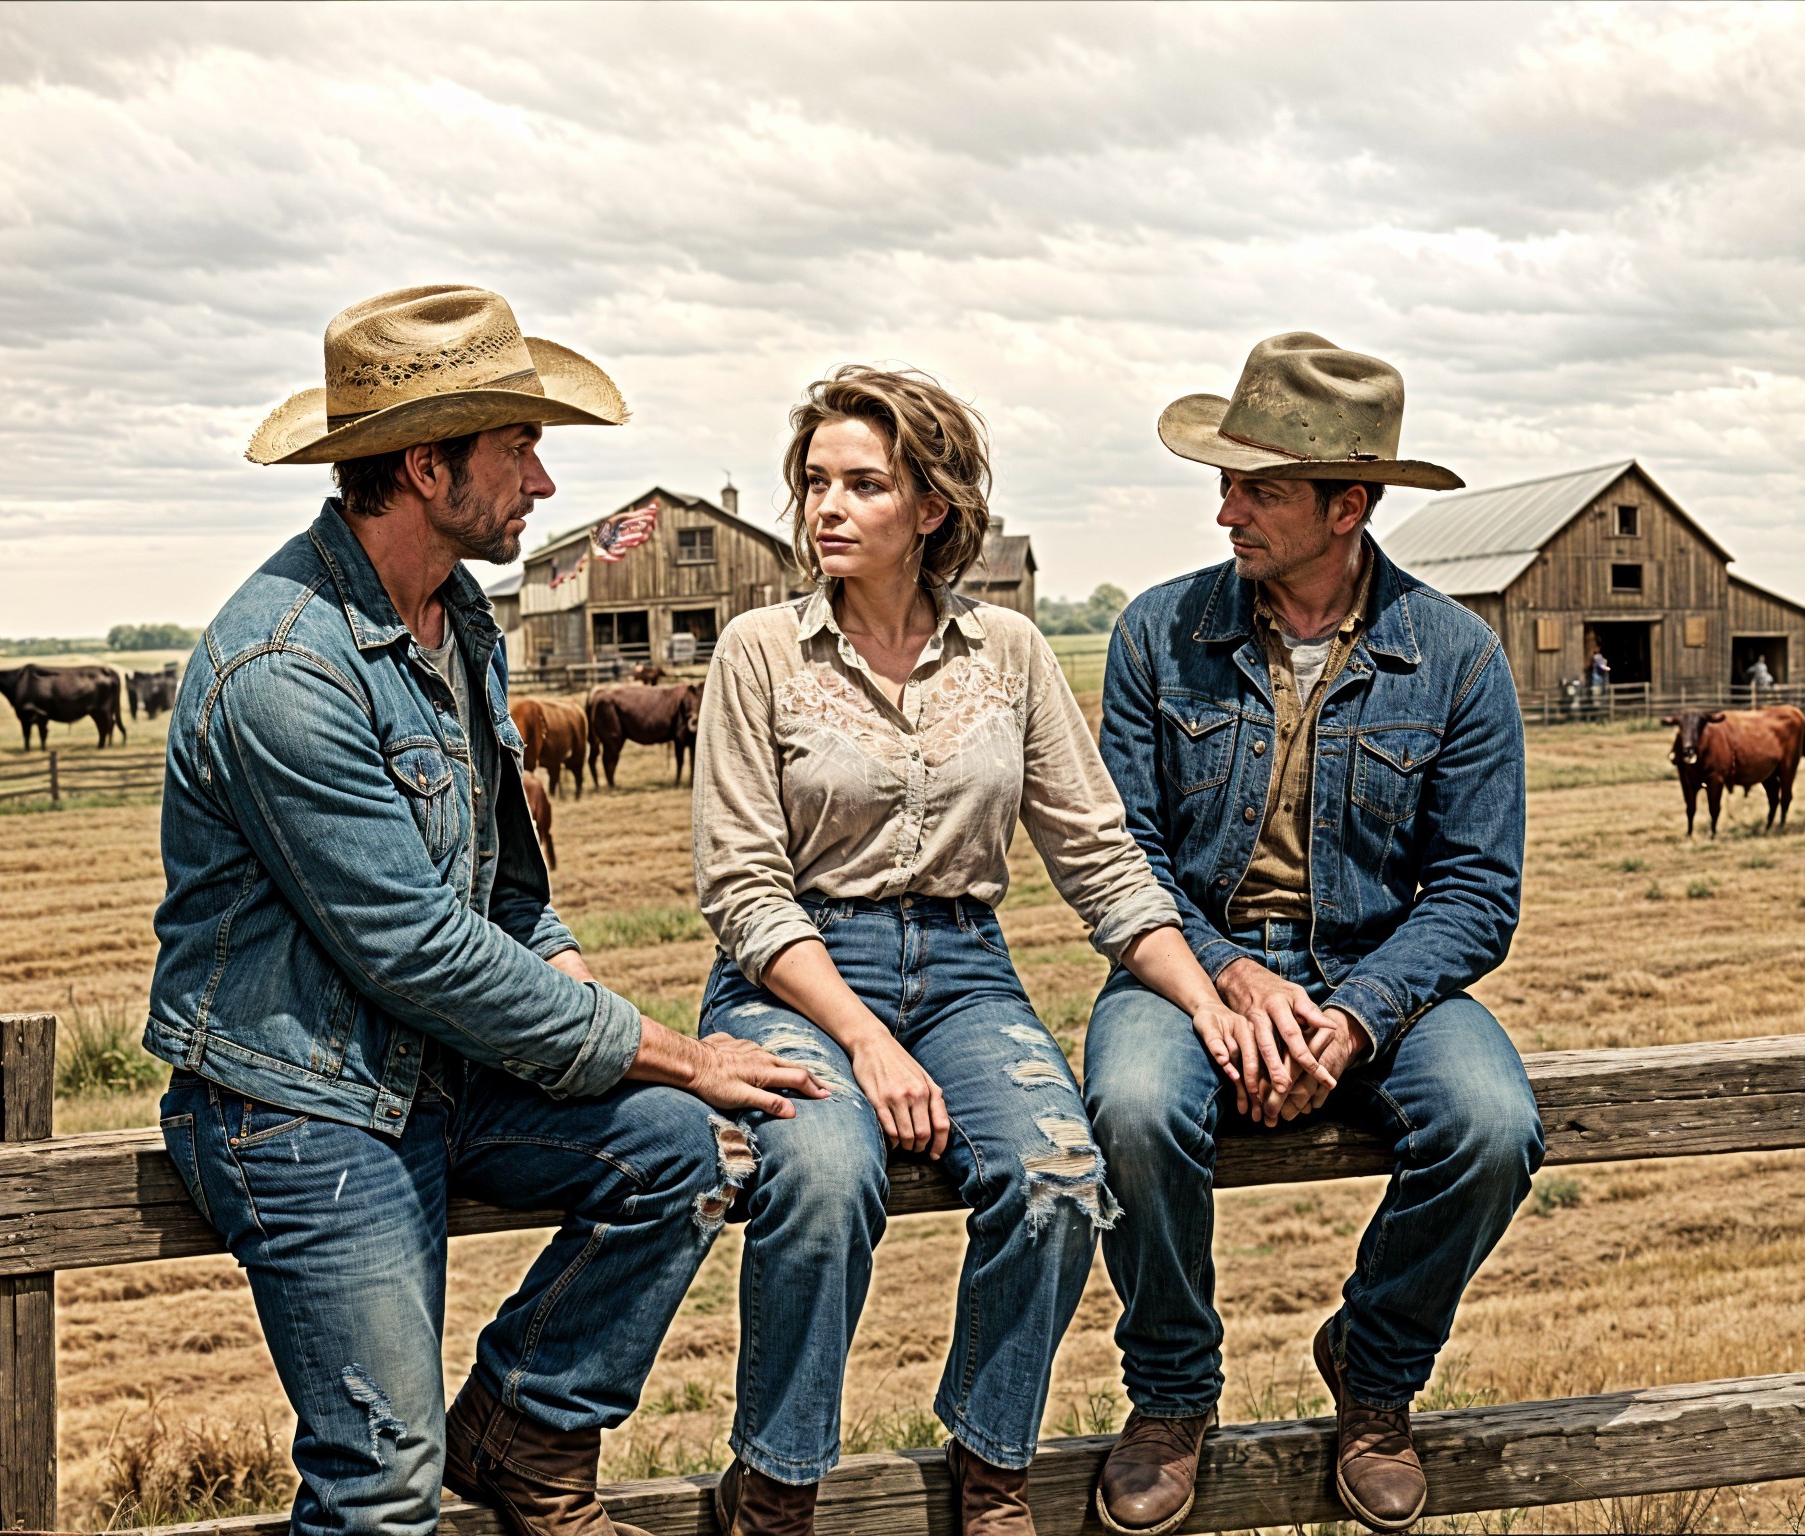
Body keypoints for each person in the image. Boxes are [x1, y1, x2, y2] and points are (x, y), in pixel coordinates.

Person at [147, 285, 820, 1536]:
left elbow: (505, 886)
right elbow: (415, 946)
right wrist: (672, 1047)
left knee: (680, 1152)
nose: (545, 483)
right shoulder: (283, 664)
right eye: (519, 447)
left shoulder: (459, 619)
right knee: (379, 1484)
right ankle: (445, 1458)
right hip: (301, 1101)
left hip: (435, 1071)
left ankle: (519, 1431)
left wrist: (562, 961)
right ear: (423, 463)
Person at [691, 366, 1246, 1536]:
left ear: (930, 509)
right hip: (792, 976)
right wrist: (866, 1044)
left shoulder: (1008, 653)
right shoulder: (758, 652)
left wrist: (1205, 1005)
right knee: (825, 1173)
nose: (824, 509)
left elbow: (1098, 856)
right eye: (813, 483)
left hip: (961, 967)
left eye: (862, 485)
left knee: (1055, 1175)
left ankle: (990, 1470)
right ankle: (777, 1488)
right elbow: (740, 888)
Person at [1081, 333, 1542, 1535]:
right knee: (1130, 1109)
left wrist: (1349, 1018)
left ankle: (1375, 1374)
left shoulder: (1454, 657)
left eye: (1257, 488)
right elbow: (1120, 853)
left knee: (1493, 1126)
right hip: (1185, 954)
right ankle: (1172, 1392)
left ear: (1348, 506)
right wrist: (1222, 979)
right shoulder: (1154, 633)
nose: (1223, 507)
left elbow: (1476, 892)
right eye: (1224, 481)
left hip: (1378, 973)